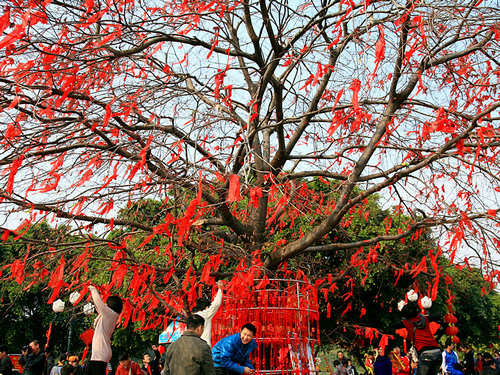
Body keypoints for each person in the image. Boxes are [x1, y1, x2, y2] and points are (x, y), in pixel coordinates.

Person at [87, 285, 123, 375]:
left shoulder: (111, 314)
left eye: (107, 303)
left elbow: (99, 304)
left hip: (101, 352)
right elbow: (99, 308)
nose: (105, 304)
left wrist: (93, 289)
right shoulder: (109, 315)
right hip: (99, 353)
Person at [400, 301, 441, 375]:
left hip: (425, 353)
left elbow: (396, 325)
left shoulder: (407, 322)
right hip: (437, 352)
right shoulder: (425, 319)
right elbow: (436, 316)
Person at [192, 281, 224, 347]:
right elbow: (216, 304)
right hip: (203, 347)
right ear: (206, 307)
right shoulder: (205, 314)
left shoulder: (192, 316)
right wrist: (220, 289)